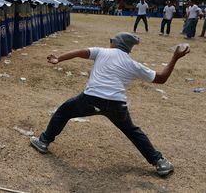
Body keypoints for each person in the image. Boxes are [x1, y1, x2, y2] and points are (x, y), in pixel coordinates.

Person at [30, 32, 190, 176]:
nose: (109, 42)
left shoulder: (102, 51)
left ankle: (43, 142)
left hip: (91, 99)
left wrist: (59, 58)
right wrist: (175, 57)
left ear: (116, 43)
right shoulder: (133, 64)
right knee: (132, 131)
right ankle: (160, 162)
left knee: (63, 112)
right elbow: (161, 78)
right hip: (116, 104)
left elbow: (80, 52)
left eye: (111, 40)